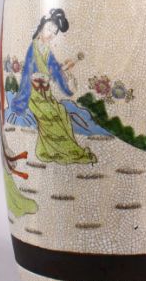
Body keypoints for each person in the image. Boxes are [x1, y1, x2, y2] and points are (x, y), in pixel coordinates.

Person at [7, 9, 96, 165]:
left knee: (62, 112)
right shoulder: (34, 47)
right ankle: (66, 152)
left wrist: (65, 71)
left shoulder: (47, 50)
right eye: (49, 29)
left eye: (54, 33)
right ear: (42, 26)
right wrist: (42, 76)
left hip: (45, 94)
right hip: (34, 93)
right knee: (51, 115)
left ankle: (49, 151)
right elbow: (29, 72)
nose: (50, 35)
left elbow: (54, 70)